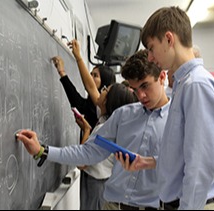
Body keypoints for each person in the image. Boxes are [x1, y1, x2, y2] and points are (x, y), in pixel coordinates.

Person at [16, 49, 170, 210]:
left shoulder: (178, 119)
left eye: (145, 86)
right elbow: (88, 153)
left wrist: (151, 163)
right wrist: (42, 151)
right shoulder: (123, 115)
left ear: (162, 77)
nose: (141, 96)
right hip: (114, 205)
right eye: (135, 89)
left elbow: (187, 166)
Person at [139, 6, 214, 210]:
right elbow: (181, 153)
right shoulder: (182, 85)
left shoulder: (196, 85)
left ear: (169, 39)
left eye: (151, 48)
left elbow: (201, 164)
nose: (150, 58)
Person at [51, 40, 116, 210]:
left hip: (96, 174)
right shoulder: (98, 111)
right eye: (92, 74)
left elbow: (82, 160)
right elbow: (77, 100)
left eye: (96, 75)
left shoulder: (106, 114)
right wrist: (63, 74)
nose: (91, 78)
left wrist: (79, 57)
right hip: (91, 173)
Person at [73, 82, 138, 210]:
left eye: (105, 90)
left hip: (96, 183)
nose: (101, 91)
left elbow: (81, 162)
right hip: (99, 181)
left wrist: (87, 131)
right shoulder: (108, 124)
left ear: (108, 101)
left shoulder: (104, 128)